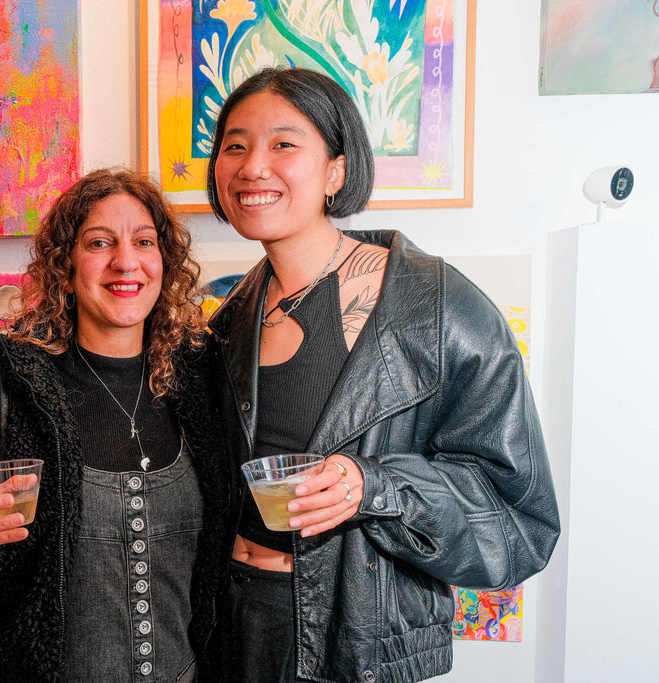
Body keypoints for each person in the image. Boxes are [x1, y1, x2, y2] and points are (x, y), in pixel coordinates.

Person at [203, 67, 561, 682]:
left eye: (283, 144)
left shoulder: (433, 306)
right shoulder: (226, 320)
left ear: (336, 171)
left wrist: (371, 485)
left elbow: (521, 521)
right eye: (235, 145)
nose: (253, 166)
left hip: (352, 646)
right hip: (228, 631)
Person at [0, 169, 230, 681]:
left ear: (163, 262)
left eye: (144, 242)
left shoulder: (205, 389)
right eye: (100, 243)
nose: (126, 261)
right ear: (66, 264)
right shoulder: (4, 395)